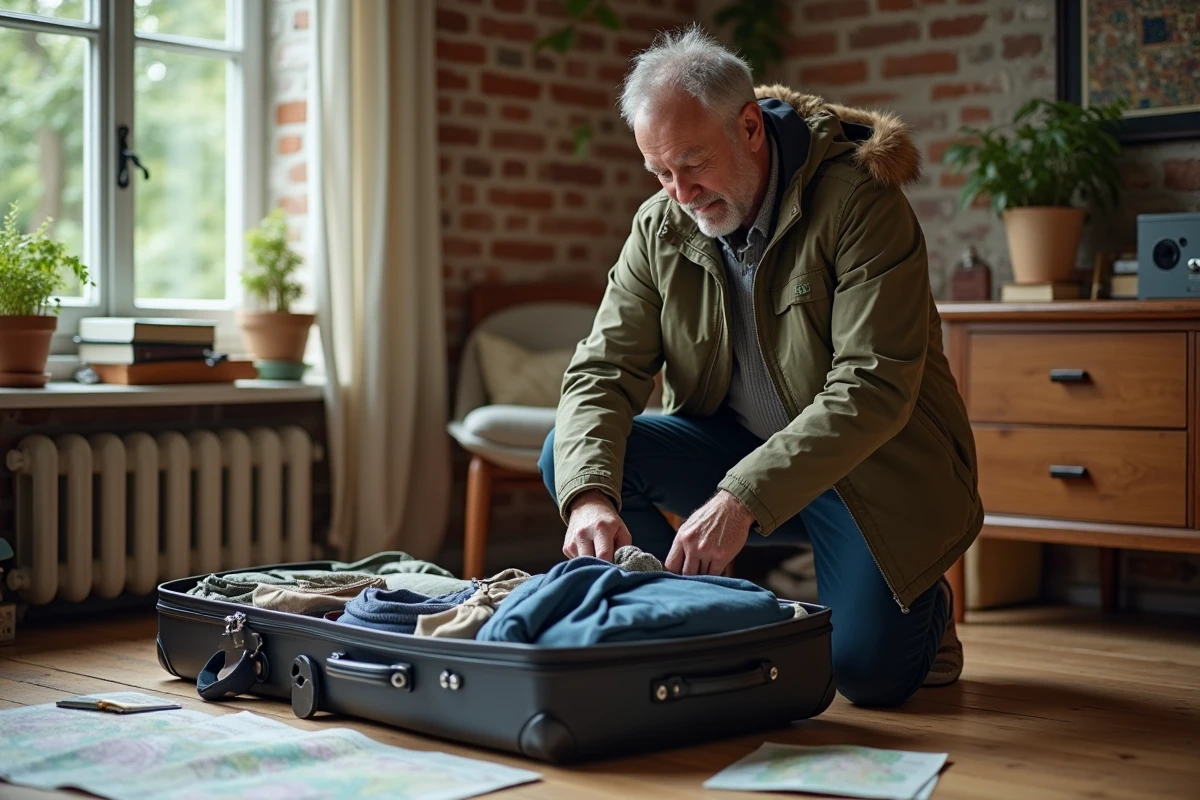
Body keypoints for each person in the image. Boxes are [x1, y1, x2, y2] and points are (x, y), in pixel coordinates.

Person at [538, 26, 982, 707]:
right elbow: (601, 371)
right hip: (737, 449)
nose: (679, 193)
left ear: (749, 127)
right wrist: (590, 498)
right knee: (573, 460)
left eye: (692, 164)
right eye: (658, 172)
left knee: (867, 676)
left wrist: (742, 498)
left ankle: (926, 607)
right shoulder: (659, 226)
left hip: (868, 469)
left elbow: (873, 386)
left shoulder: (861, 203)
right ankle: (698, 623)